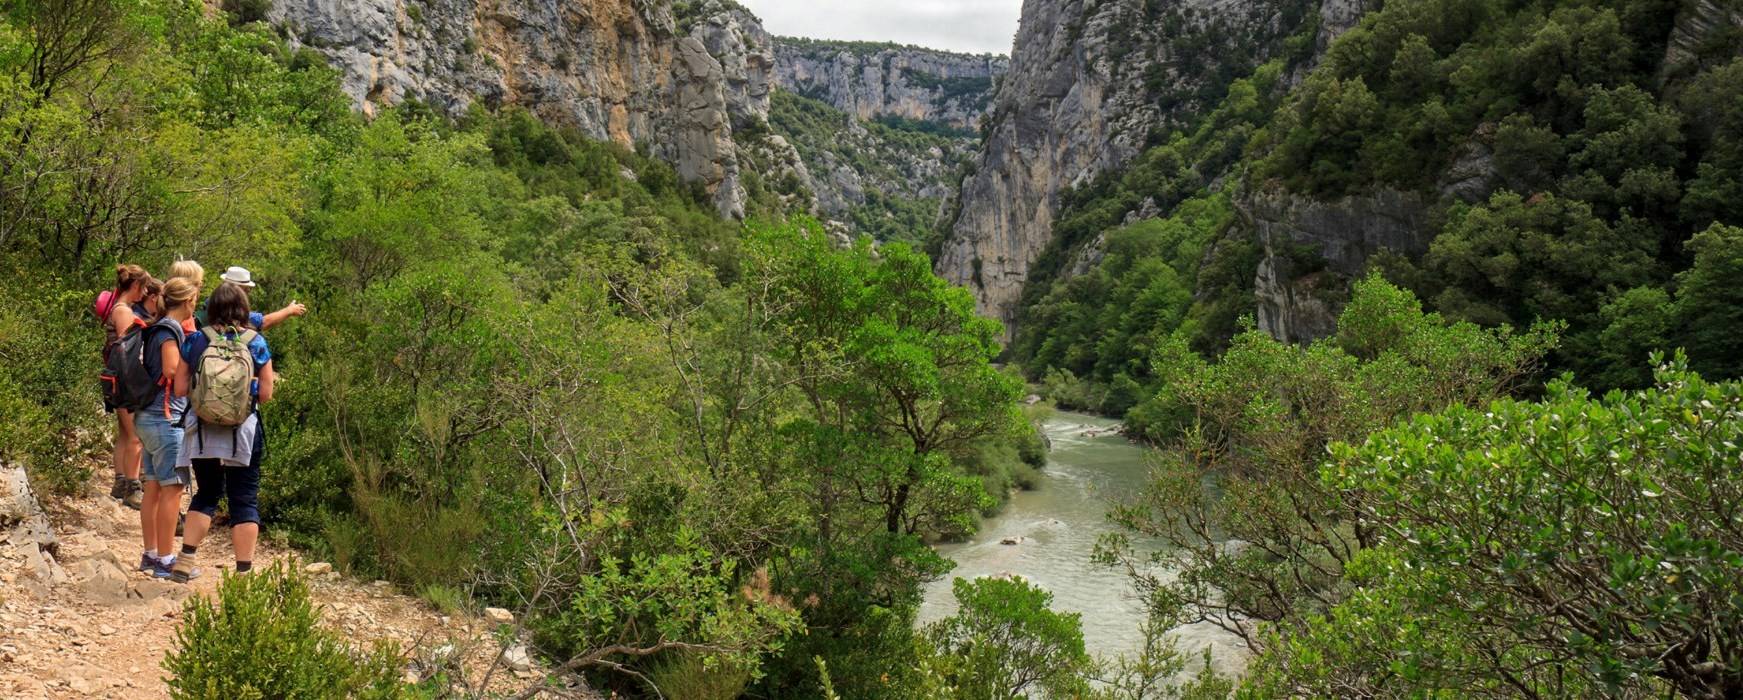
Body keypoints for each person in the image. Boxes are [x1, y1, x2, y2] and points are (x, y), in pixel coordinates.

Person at [173, 282, 275, 581]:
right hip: (242, 431)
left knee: (206, 493)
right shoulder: (255, 342)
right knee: (244, 499)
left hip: (203, 432)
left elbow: (180, 388)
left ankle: (185, 559)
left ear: (211, 308)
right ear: (244, 309)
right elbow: (266, 394)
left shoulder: (196, 341)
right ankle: (243, 574)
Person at [135, 278, 195, 579]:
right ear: (187, 301)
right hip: (166, 417)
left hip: (147, 417)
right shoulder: (170, 330)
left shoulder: (155, 326)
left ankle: (151, 554)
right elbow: (172, 370)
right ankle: (166, 559)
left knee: (154, 488)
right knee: (172, 489)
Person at [101, 265, 152, 511]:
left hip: (116, 380)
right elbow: (126, 350)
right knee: (135, 437)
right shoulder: (123, 311)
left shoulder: (120, 308)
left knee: (124, 433)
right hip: (124, 381)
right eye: (143, 288)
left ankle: (120, 482)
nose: (144, 293)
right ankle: (132, 487)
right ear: (135, 286)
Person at [212, 266, 305, 331]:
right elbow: (263, 322)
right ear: (238, 289)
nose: (248, 292)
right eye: (246, 289)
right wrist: (289, 311)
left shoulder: (211, 303)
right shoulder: (237, 311)